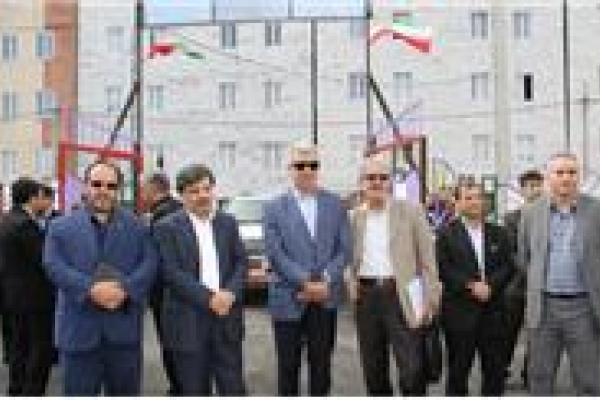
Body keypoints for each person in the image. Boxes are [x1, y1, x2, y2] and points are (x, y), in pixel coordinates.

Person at [43, 160, 157, 396]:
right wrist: (90, 289)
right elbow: (53, 264)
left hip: (124, 335)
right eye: (96, 184)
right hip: (78, 333)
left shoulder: (139, 227)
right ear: (85, 186)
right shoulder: (59, 226)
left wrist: (125, 290)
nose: (103, 190)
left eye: (110, 185)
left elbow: (150, 263)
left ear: (118, 189)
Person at [347, 156, 441, 395]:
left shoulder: (411, 211)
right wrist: (350, 283)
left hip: (402, 296)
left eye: (383, 177)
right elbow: (346, 259)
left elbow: (428, 260)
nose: (377, 182)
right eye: (371, 177)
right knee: (373, 370)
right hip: (366, 298)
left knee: (412, 370)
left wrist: (431, 300)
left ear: (390, 181)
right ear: (361, 182)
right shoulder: (353, 217)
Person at [263, 140, 351, 396]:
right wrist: (305, 282)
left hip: (325, 298)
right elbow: (275, 253)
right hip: (287, 298)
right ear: (290, 168)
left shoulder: (335, 204)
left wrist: (325, 279)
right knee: (288, 368)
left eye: (313, 164)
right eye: (300, 165)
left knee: (321, 367)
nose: (307, 170)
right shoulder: (273, 208)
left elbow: (344, 250)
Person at [152, 164, 247, 395]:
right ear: (181, 195)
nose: (203, 195)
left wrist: (230, 293)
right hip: (187, 324)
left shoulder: (228, 223)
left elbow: (241, 262)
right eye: (194, 191)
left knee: (233, 388)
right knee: (194, 390)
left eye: (206, 189)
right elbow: (171, 272)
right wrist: (210, 298)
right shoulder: (166, 228)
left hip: (226, 320)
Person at [519, 153, 600, 395]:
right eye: (560, 172)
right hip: (544, 309)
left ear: (579, 176)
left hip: (584, 308)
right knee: (540, 379)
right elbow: (525, 257)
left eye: (572, 172)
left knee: (589, 381)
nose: (566, 178)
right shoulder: (531, 212)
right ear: (548, 177)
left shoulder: (596, 210)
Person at [436, 180, 515, 396]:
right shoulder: (446, 234)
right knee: (458, 373)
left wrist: (490, 286)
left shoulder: (499, 233)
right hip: (459, 315)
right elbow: (443, 268)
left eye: (478, 197)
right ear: (458, 202)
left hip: (494, 313)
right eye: (468, 198)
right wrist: (470, 286)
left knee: (495, 373)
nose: (474, 202)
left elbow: (508, 265)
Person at [0, 178, 56, 395]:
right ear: (32, 198)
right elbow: (44, 259)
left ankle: (16, 389)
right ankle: (32, 392)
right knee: (39, 348)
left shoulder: (7, 220)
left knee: (19, 347)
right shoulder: (25, 225)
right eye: (41, 196)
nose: (44, 200)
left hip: (13, 296)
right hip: (34, 298)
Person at [142, 172, 182, 395]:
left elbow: (158, 260)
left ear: (153, 189)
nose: (142, 194)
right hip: (183, 293)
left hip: (166, 295)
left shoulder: (161, 215)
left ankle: (178, 388)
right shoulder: (180, 208)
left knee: (170, 344)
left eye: (144, 189)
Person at [503, 169, 544, 385]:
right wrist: (531, 273)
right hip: (517, 287)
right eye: (530, 186)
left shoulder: (550, 216)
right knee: (508, 331)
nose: (534, 190)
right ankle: (501, 369)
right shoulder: (511, 218)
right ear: (522, 190)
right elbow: (511, 253)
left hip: (543, 287)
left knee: (537, 333)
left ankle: (531, 373)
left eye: (538, 185)